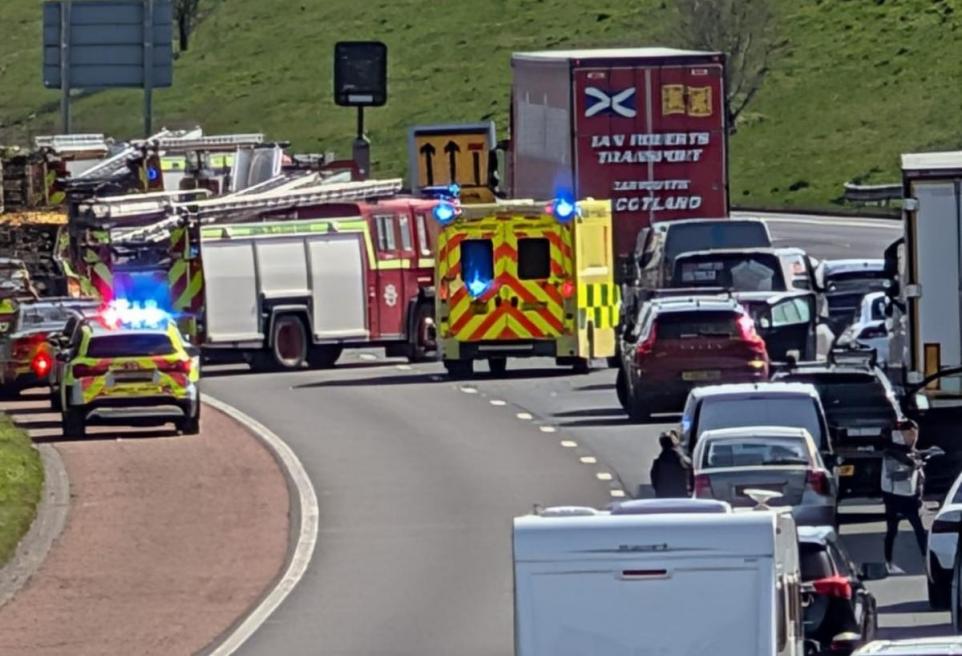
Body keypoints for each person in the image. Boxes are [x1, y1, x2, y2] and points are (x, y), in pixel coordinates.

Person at [880, 419, 926, 572]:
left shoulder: (913, 451)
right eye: (908, 435)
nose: (912, 438)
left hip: (911, 498)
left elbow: (919, 478)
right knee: (892, 531)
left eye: (914, 434)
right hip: (894, 497)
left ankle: (927, 562)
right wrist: (914, 466)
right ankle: (888, 562)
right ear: (901, 435)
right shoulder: (892, 452)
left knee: (920, 531)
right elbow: (895, 474)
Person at [650, 430, 692, 498]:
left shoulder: (657, 462)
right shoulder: (681, 459)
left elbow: (654, 481)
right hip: (680, 496)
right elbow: (690, 470)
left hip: (663, 496)